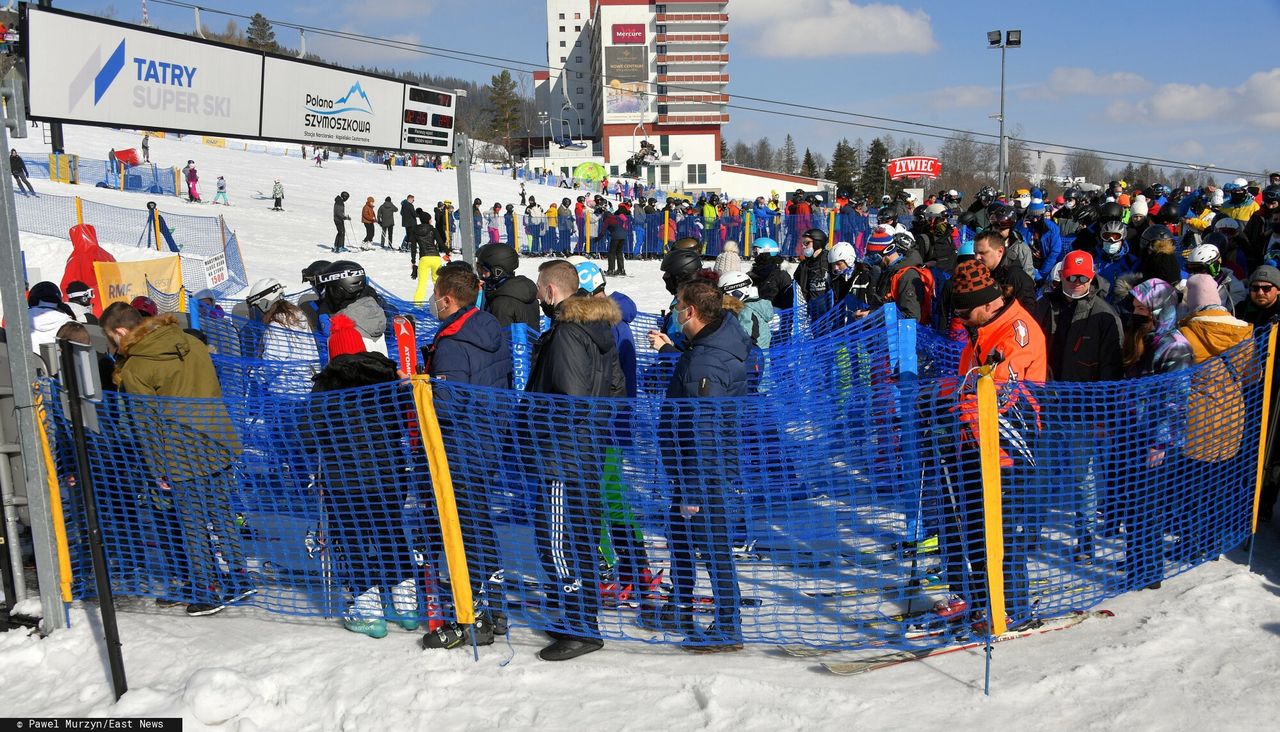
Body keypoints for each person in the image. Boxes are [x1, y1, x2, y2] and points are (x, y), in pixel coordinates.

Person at [99, 301, 250, 616]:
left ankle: (206, 590)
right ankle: (238, 578)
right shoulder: (190, 342)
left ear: (121, 332)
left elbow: (146, 424)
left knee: (192, 522)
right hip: (218, 437)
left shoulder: (137, 366)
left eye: (111, 337)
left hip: (179, 450)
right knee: (221, 513)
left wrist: (158, 469)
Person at [525, 259, 627, 661]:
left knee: (557, 540)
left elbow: (567, 398)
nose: (537, 297)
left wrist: (538, 428)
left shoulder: (568, 332)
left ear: (551, 291)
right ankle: (578, 615)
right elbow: (615, 390)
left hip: (562, 454)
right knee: (579, 534)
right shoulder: (599, 327)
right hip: (586, 449)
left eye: (539, 290)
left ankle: (581, 624)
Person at [945, 258, 1047, 628]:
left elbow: (999, 391)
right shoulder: (980, 329)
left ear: (988, 303)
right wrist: (940, 399)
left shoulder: (1016, 331)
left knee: (1003, 534)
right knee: (972, 527)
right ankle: (979, 598)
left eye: (967, 313)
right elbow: (963, 381)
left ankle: (1012, 607)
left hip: (1009, 451)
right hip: (974, 445)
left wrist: (957, 405)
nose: (962, 320)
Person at [418, 266, 513, 649]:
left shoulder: (454, 341)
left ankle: (473, 616)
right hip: (487, 440)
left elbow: (449, 403)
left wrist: (420, 392)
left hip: (461, 447)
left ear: (447, 298)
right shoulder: (487, 327)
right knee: (478, 527)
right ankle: (493, 608)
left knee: (465, 532)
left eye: (436, 295)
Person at [654, 278, 751, 652]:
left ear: (691, 311)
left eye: (679, 305)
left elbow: (705, 429)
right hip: (690, 468)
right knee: (679, 534)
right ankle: (681, 604)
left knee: (713, 547)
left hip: (704, 473)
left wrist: (694, 489)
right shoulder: (706, 346)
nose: (676, 312)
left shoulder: (708, 359)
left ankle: (728, 626)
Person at [309, 319, 419, 638]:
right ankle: (406, 604)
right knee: (391, 531)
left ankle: (368, 610)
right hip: (388, 474)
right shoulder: (386, 378)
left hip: (344, 478)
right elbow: (402, 421)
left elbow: (310, 431)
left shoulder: (326, 385)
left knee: (353, 537)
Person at [316, 261, 387, 354]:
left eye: (327, 289)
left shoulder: (344, 331)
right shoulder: (374, 312)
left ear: (337, 292)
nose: (325, 296)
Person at [476, 242, 540, 330]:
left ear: (498, 271)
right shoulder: (524, 292)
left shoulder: (501, 303)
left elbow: (498, 339)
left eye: (484, 270)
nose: (481, 275)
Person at [973, 229, 1036, 309]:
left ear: (1000, 251)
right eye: (975, 253)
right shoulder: (982, 272)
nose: (977, 257)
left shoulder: (1015, 276)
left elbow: (1028, 312)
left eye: (982, 253)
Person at [719, 271, 774, 350]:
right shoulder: (756, 305)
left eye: (726, 295)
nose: (725, 299)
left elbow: (744, 338)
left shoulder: (745, 311)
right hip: (760, 354)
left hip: (752, 357)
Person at [27, 281, 74, 355]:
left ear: (32, 300)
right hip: (60, 365)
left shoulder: (20, 319)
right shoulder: (70, 323)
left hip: (27, 364)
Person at [747, 237, 794, 310]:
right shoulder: (755, 271)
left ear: (765, 251)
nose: (754, 255)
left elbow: (787, 300)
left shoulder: (780, 273)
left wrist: (787, 318)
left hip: (775, 313)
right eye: (753, 251)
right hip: (756, 310)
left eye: (756, 251)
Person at [793, 228, 832, 316]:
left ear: (817, 243)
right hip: (814, 310)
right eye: (803, 243)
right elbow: (798, 278)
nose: (803, 246)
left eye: (807, 243)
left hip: (829, 313)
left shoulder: (829, 261)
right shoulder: (804, 264)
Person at [410, 208, 446, 291]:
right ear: (428, 220)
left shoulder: (415, 230)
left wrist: (413, 260)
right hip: (435, 258)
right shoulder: (433, 230)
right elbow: (440, 242)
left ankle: (417, 304)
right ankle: (439, 303)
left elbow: (413, 247)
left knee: (421, 284)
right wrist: (447, 251)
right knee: (437, 283)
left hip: (424, 258)